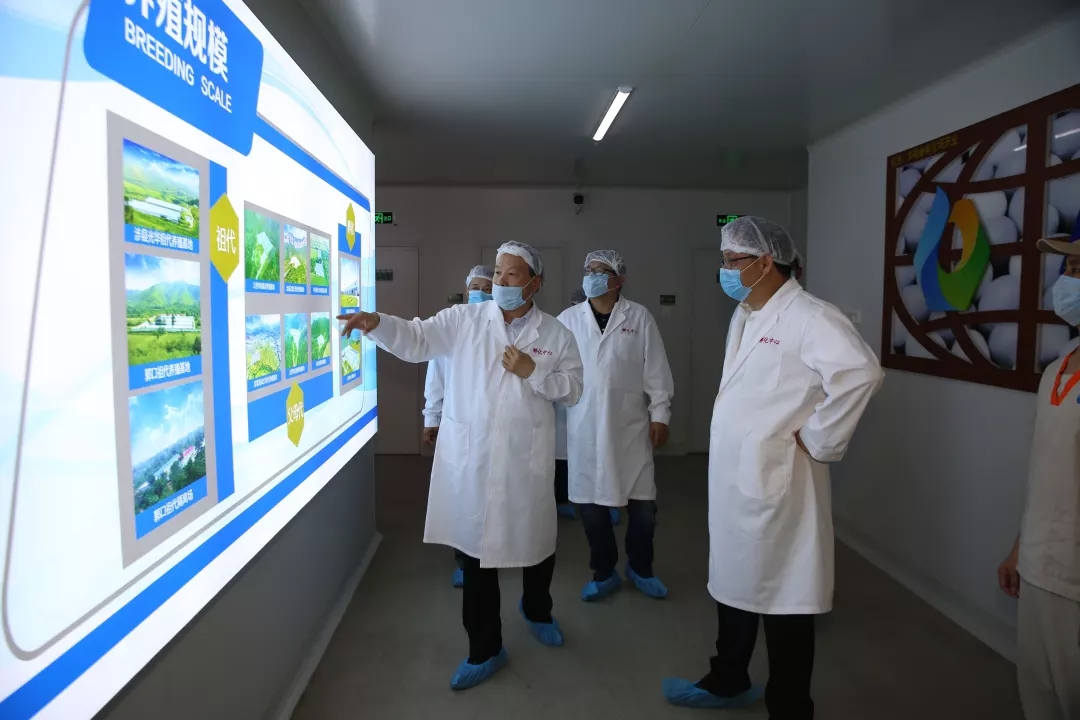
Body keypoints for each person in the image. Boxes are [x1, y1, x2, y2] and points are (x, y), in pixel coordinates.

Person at [663, 216, 883, 718]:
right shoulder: (747, 312)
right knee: (734, 582)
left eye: (732, 261)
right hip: (738, 480)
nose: (724, 270)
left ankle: (790, 706)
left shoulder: (810, 316)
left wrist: (818, 435)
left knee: (786, 600)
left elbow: (862, 373)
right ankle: (728, 678)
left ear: (765, 263)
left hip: (779, 483)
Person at [338, 241, 583, 691]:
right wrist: (378, 323)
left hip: (524, 463)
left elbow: (573, 390)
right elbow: (417, 338)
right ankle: (485, 648)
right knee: (475, 555)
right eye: (498, 271)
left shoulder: (555, 334)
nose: (501, 280)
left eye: (512, 273)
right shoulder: (464, 320)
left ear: (535, 283)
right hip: (474, 462)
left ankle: (537, 610)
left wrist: (533, 371)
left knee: (537, 544)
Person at [558, 250, 675, 602]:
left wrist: (660, 414)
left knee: (643, 509)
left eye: (601, 270)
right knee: (591, 510)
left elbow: (656, 370)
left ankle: (640, 568)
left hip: (630, 429)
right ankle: (604, 572)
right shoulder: (568, 319)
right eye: (588, 270)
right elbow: (551, 370)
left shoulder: (639, 317)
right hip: (584, 428)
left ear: (619, 279)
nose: (592, 275)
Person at [997, 231, 1080, 720]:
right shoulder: (1058, 369)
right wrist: (1020, 547)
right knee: (1040, 694)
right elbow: (1047, 470)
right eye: (1068, 269)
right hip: (1040, 564)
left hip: (1074, 576)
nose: (1068, 280)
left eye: (1079, 268)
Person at [422, 265, 494, 589]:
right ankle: (464, 561)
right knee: (461, 497)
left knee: (491, 497)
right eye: (476, 287)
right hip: (458, 429)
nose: (481, 292)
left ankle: (490, 554)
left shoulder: (504, 328)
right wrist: (431, 418)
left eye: (487, 288)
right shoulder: (451, 325)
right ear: (467, 291)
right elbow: (435, 377)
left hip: (495, 430)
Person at [554, 287, 588, 520]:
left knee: (590, 451)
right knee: (562, 452)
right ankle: (562, 498)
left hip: (591, 400)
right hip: (564, 400)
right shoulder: (562, 323)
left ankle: (594, 500)